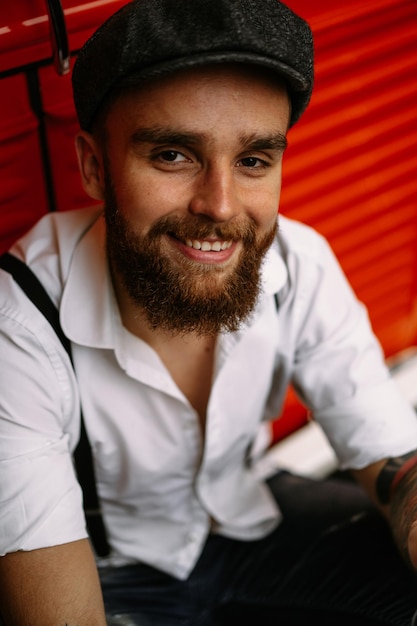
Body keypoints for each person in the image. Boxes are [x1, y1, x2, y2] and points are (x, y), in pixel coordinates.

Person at [0, 0, 416, 624]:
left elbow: (392, 453)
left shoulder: (297, 263)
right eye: (173, 154)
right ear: (94, 166)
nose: (221, 206)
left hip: (246, 519)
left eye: (252, 161)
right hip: (108, 571)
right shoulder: (18, 326)